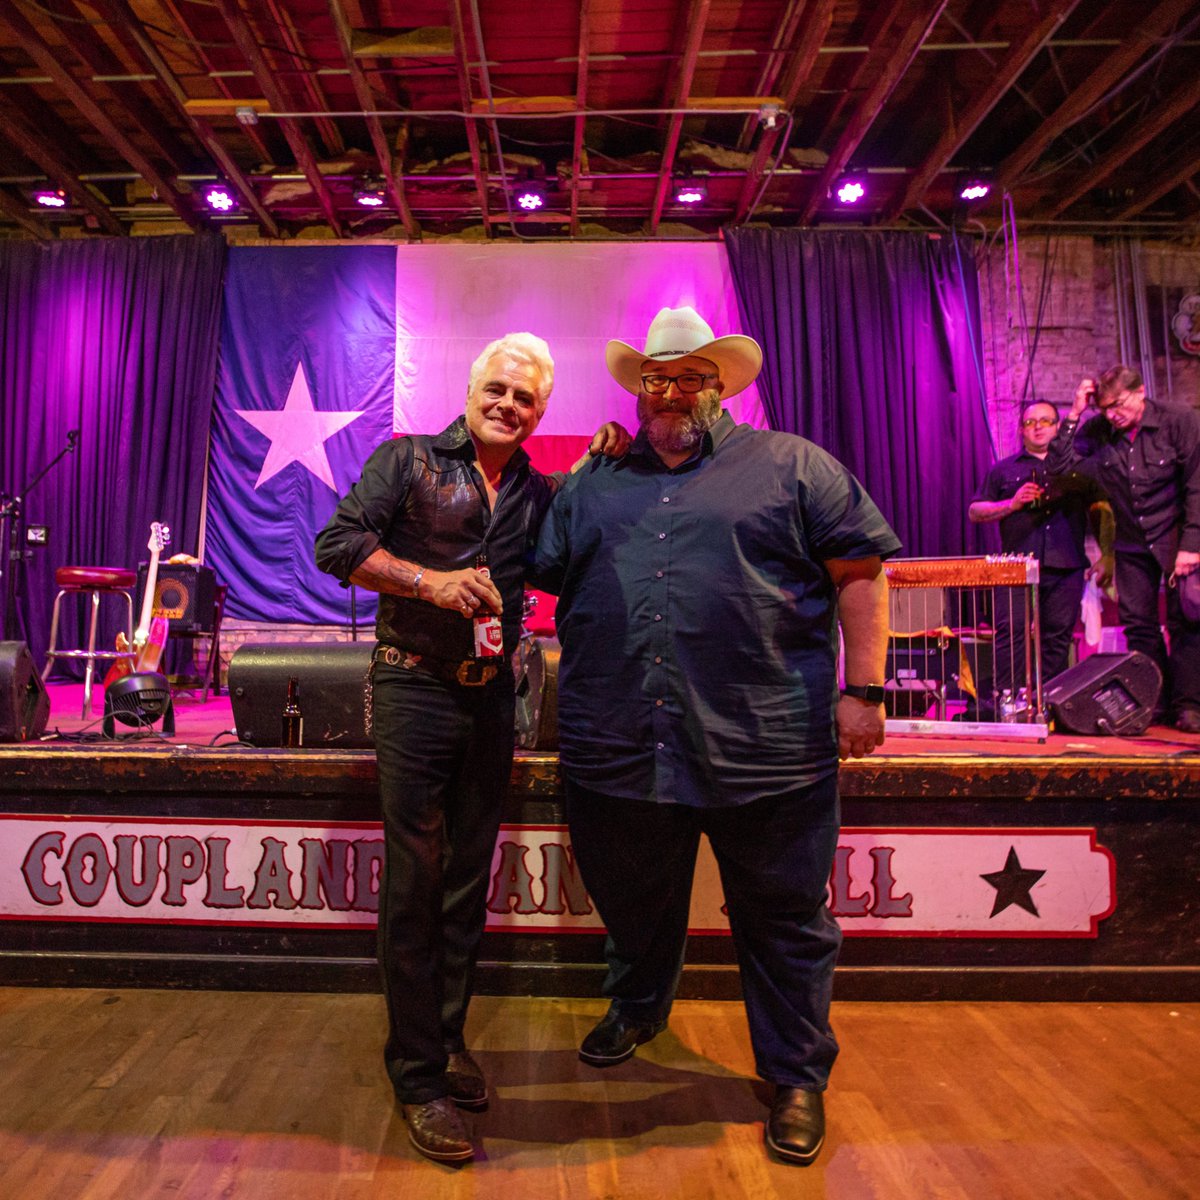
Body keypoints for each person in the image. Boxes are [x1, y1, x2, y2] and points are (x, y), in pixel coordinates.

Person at [531, 306, 901, 1166]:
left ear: (720, 386)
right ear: (638, 389)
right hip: (619, 738)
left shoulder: (795, 465)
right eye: (655, 378)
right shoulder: (596, 479)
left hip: (766, 742)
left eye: (690, 376)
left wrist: (866, 692)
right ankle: (637, 1007)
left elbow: (860, 573)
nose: (669, 394)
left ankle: (797, 1074)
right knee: (632, 897)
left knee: (784, 919)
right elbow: (543, 568)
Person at [314, 333, 626, 1164]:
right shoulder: (409, 458)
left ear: (541, 412)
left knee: (463, 881)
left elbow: (583, 541)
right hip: (413, 686)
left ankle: (445, 1042)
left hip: (492, 697)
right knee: (416, 881)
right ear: (470, 388)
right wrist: (431, 582)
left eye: (525, 399)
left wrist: (610, 459)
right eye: (498, 388)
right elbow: (336, 547)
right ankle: (416, 1076)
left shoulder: (536, 487)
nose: (508, 405)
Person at [1047, 365, 1200, 733]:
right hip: (1132, 541)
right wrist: (1074, 414)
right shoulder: (1098, 431)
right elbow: (1058, 469)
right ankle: (1157, 701)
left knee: (1187, 621)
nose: (1112, 415)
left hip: (1176, 535)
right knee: (1139, 625)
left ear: (1140, 391)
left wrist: (1192, 544)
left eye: (1117, 405)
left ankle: (1189, 704)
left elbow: (1198, 482)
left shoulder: (1178, 420)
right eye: (1105, 408)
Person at [969, 399, 1113, 713]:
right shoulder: (1003, 469)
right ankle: (1005, 700)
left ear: (1057, 427)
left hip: (1067, 566)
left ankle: (1051, 701)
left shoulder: (1078, 469)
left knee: (1057, 637)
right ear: (1021, 429)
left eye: (1046, 421)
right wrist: (1011, 504)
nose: (1038, 427)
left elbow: (1100, 511)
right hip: (1015, 567)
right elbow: (975, 511)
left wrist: (1106, 556)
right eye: (1031, 422)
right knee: (1011, 632)